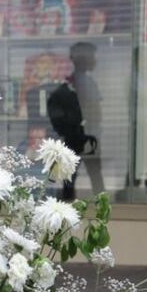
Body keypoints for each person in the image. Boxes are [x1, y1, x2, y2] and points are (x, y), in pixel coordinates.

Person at [47, 42, 104, 200]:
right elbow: (96, 113)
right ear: (84, 60)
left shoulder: (71, 84)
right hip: (84, 138)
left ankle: (67, 209)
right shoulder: (83, 84)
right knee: (92, 178)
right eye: (92, 57)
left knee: (69, 180)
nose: (95, 61)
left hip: (77, 138)